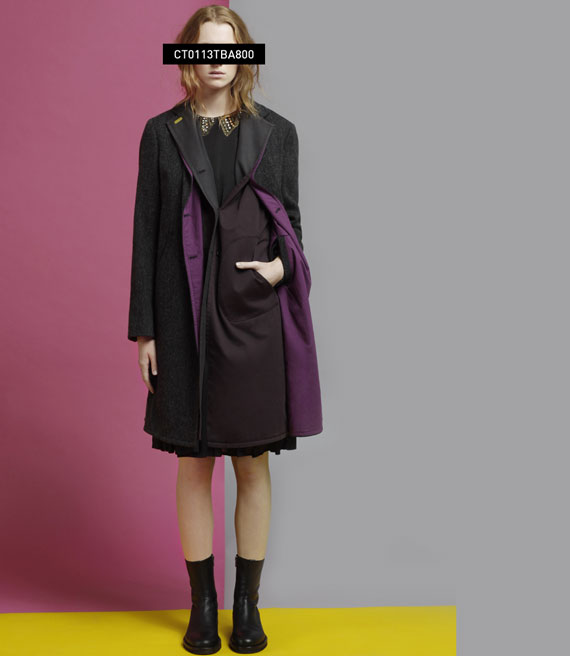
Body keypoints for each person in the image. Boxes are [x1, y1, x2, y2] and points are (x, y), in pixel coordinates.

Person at [127, 6, 322, 654]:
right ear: (186, 56)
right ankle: (203, 605)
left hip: (251, 318)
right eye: (203, 49)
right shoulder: (161, 134)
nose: (215, 61)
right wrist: (144, 330)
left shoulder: (279, 133)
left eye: (228, 48)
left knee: (252, 463)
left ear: (244, 56)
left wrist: (277, 270)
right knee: (192, 463)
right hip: (179, 318)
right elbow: (146, 233)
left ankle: (247, 605)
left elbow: (292, 227)